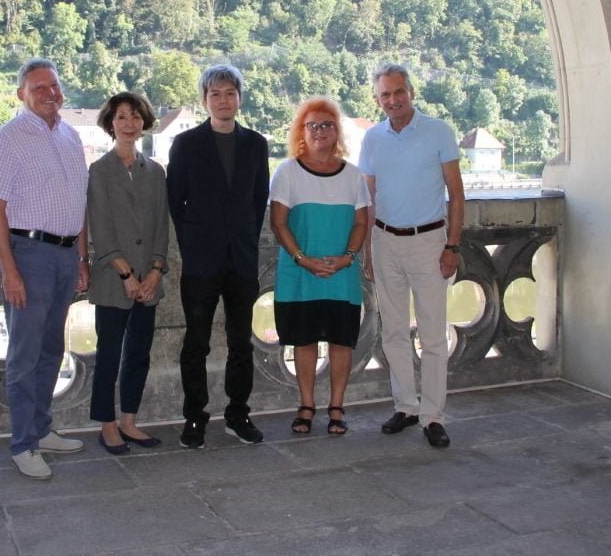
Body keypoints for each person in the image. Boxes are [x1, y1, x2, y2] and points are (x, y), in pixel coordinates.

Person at [0, 57, 90, 480]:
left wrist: (81, 257)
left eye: (54, 86)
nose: (49, 94)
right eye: (39, 88)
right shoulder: (9, 137)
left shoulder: (69, 135)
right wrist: (9, 271)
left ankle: (42, 429)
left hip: (64, 256)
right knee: (24, 356)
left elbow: (79, 202)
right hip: (28, 254)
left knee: (50, 350)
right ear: (22, 95)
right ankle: (23, 443)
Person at [358, 63, 464, 449]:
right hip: (385, 241)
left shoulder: (438, 132)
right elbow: (369, 199)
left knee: (434, 335)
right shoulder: (372, 139)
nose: (392, 100)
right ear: (377, 99)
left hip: (429, 242)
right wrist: (369, 249)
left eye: (398, 92)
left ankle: (433, 415)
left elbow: (456, 192)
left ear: (411, 92)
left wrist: (452, 245)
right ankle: (406, 406)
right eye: (385, 95)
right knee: (394, 331)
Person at [167, 64, 270, 448]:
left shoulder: (257, 145)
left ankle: (238, 414)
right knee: (196, 342)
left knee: (241, 342)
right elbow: (175, 201)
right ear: (204, 100)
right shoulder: (187, 144)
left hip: (241, 260)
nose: (223, 100)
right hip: (200, 262)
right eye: (215, 94)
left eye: (229, 93)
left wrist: (242, 237)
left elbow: (259, 200)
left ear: (239, 98)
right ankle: (195, 417)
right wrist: (194, 245)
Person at [269, 97, 369, 436]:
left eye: (327, 125)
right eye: (313, 125)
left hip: (342, 273)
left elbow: (360, 223)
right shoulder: (287, 171)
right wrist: (303, 259)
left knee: (342, 342)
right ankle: (307, 404)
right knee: (304, 341)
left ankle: (337, 406)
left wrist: (348, 257)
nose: (320, 131)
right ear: (301, 131)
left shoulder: (352, 175)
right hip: (299, 273)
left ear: (337, 131)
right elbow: (279, 224)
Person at [87, 91, 169, 455]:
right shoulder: (99, 171)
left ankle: (130, 421)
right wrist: (126, 275)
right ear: (111, 123)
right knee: (108, 353)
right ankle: (107, 424)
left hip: (149, 281)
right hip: (112, 280)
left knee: (139, 353)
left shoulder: (155, 171)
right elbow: (100, 229)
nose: (130, 124)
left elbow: (160, 227)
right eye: (122, 117)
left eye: (135, 116)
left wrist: (154, 272)